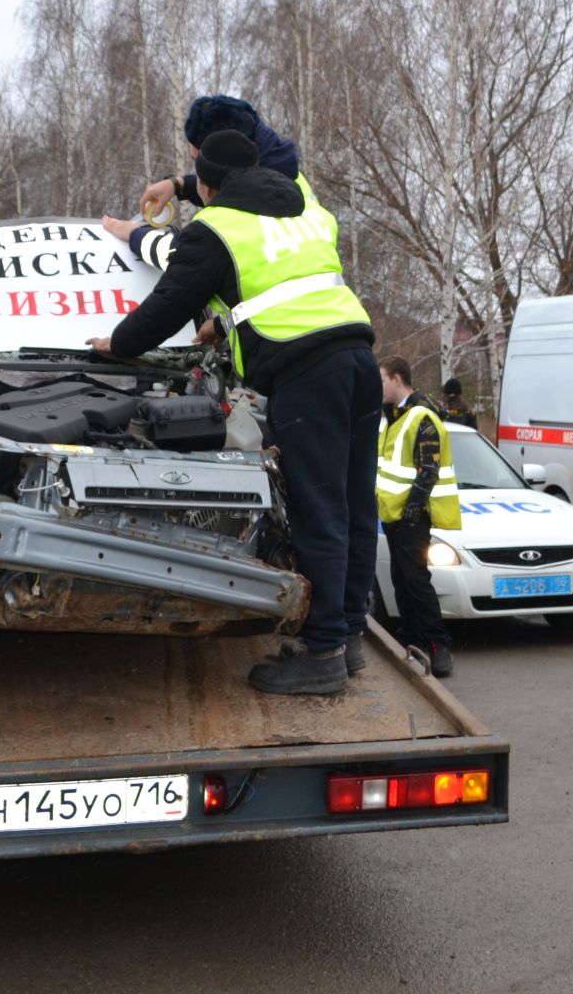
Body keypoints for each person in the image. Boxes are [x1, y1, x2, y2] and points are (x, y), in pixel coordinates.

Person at [89, 129, 379, 695]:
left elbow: (165, 307)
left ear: (205, 185)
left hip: (306, 375)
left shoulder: (213, 229)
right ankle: (348, 639)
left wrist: (116, 345)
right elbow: (287, 281)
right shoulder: (308, 209)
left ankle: (320, 655)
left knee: (320, 516)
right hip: (358, 361)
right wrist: (223, 322)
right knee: (353, 508)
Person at [101, 94, 303, 268]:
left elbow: (184, 259)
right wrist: (178, 185)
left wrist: (135, 234)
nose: (202, 179)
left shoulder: (251, 208)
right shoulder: (284, 180)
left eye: (201, 165)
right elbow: (230, 185)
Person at [377, 356, 461, 677]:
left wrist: (412, 509)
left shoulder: (422, 416)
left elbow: (429, 468)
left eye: (381, 379)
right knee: (401, 579)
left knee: (417, 580)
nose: (378, 386)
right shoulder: (392, 417)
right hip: (392, 513)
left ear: (397, 379)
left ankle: (438, 645)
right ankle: (411, 639)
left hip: (413, 516)